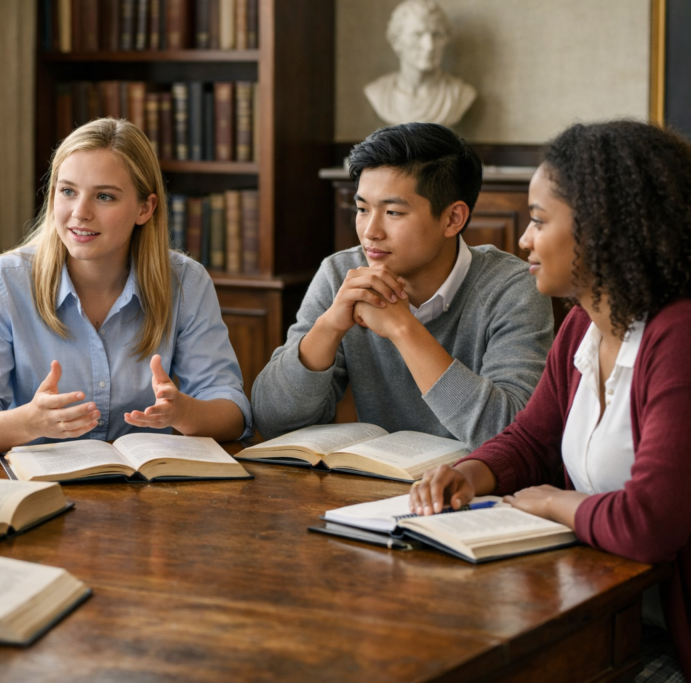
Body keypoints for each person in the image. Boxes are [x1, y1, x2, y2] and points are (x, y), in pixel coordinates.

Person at [409, 121, 691, 680]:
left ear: (602, 228)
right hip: (606, 614)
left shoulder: (678, 337)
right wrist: (469, 475)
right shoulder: (583, 324)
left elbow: (650, 523)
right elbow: (532, 438)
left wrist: (554, 505)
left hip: (667, 644)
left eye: (538, 220)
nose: (523, 240)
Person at [0, 117, 250, 456]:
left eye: (104, 196)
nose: (80, 212)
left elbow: (233, 414)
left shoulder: (186, 282)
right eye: (68, 191)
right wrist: (30, 422)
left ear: (145, 208)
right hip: (38, 484)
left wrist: (185, 413)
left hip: (149, 485)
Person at [252, 122, 553, 449]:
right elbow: (272, 421)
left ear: (453, 218)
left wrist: (403, 328)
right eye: (362, 209)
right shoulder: (341, 275)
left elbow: (512, 433)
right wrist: (328, 327)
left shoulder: (512, 288)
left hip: (475, 479)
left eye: (393, 212)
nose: (370, 232)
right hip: (375, 477)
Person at [364, 0, 476, 127]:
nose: (429, 46)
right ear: (396, 41)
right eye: (417, 35)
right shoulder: (379, 93)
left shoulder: (460, 94)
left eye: (437, 35)